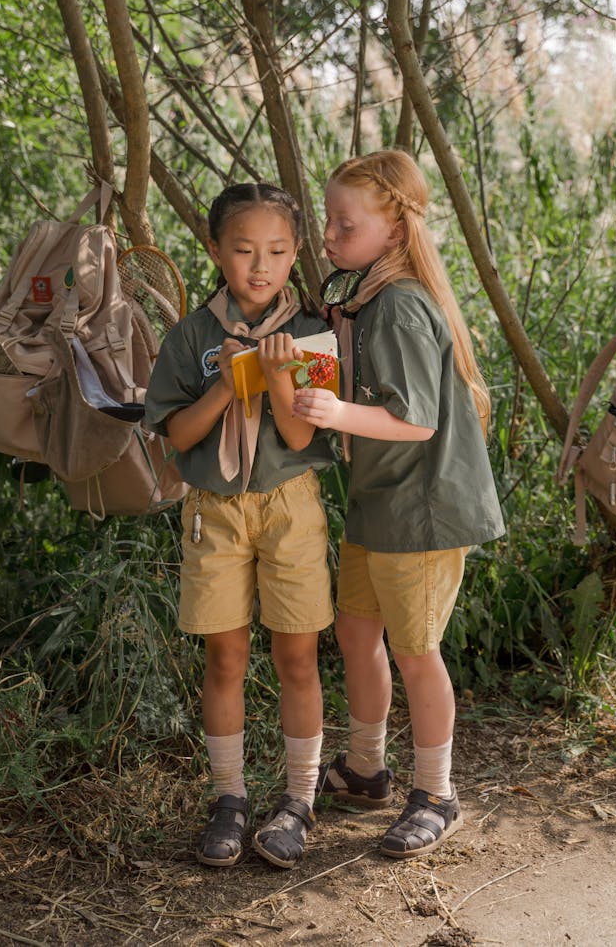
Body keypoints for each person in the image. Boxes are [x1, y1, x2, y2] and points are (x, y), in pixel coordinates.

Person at [292, 149, 504, 859]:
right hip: (377, 502)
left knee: (417, 653)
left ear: (392, 229)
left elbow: (414, 420)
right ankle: (365, 767)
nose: (328, 233)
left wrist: (332, 410)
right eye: (327, 220)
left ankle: (438, 794)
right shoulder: (359, 295)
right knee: (357, 633)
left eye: (343, 223)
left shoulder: (402, 306)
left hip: (423, 510)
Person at [144, 182, 336, 870]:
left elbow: (296, 428)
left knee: (297, 657)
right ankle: (229, 798)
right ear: (216, 250)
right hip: (215, 510)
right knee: (224, 656)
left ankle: (298, 802)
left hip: (290, 504)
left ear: (295, 255)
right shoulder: (193, 334)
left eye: (278, 251)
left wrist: (278, 375)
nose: (262, 265)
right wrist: (225, 382)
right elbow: (178, 435)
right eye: (245, 249)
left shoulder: (313, 331)